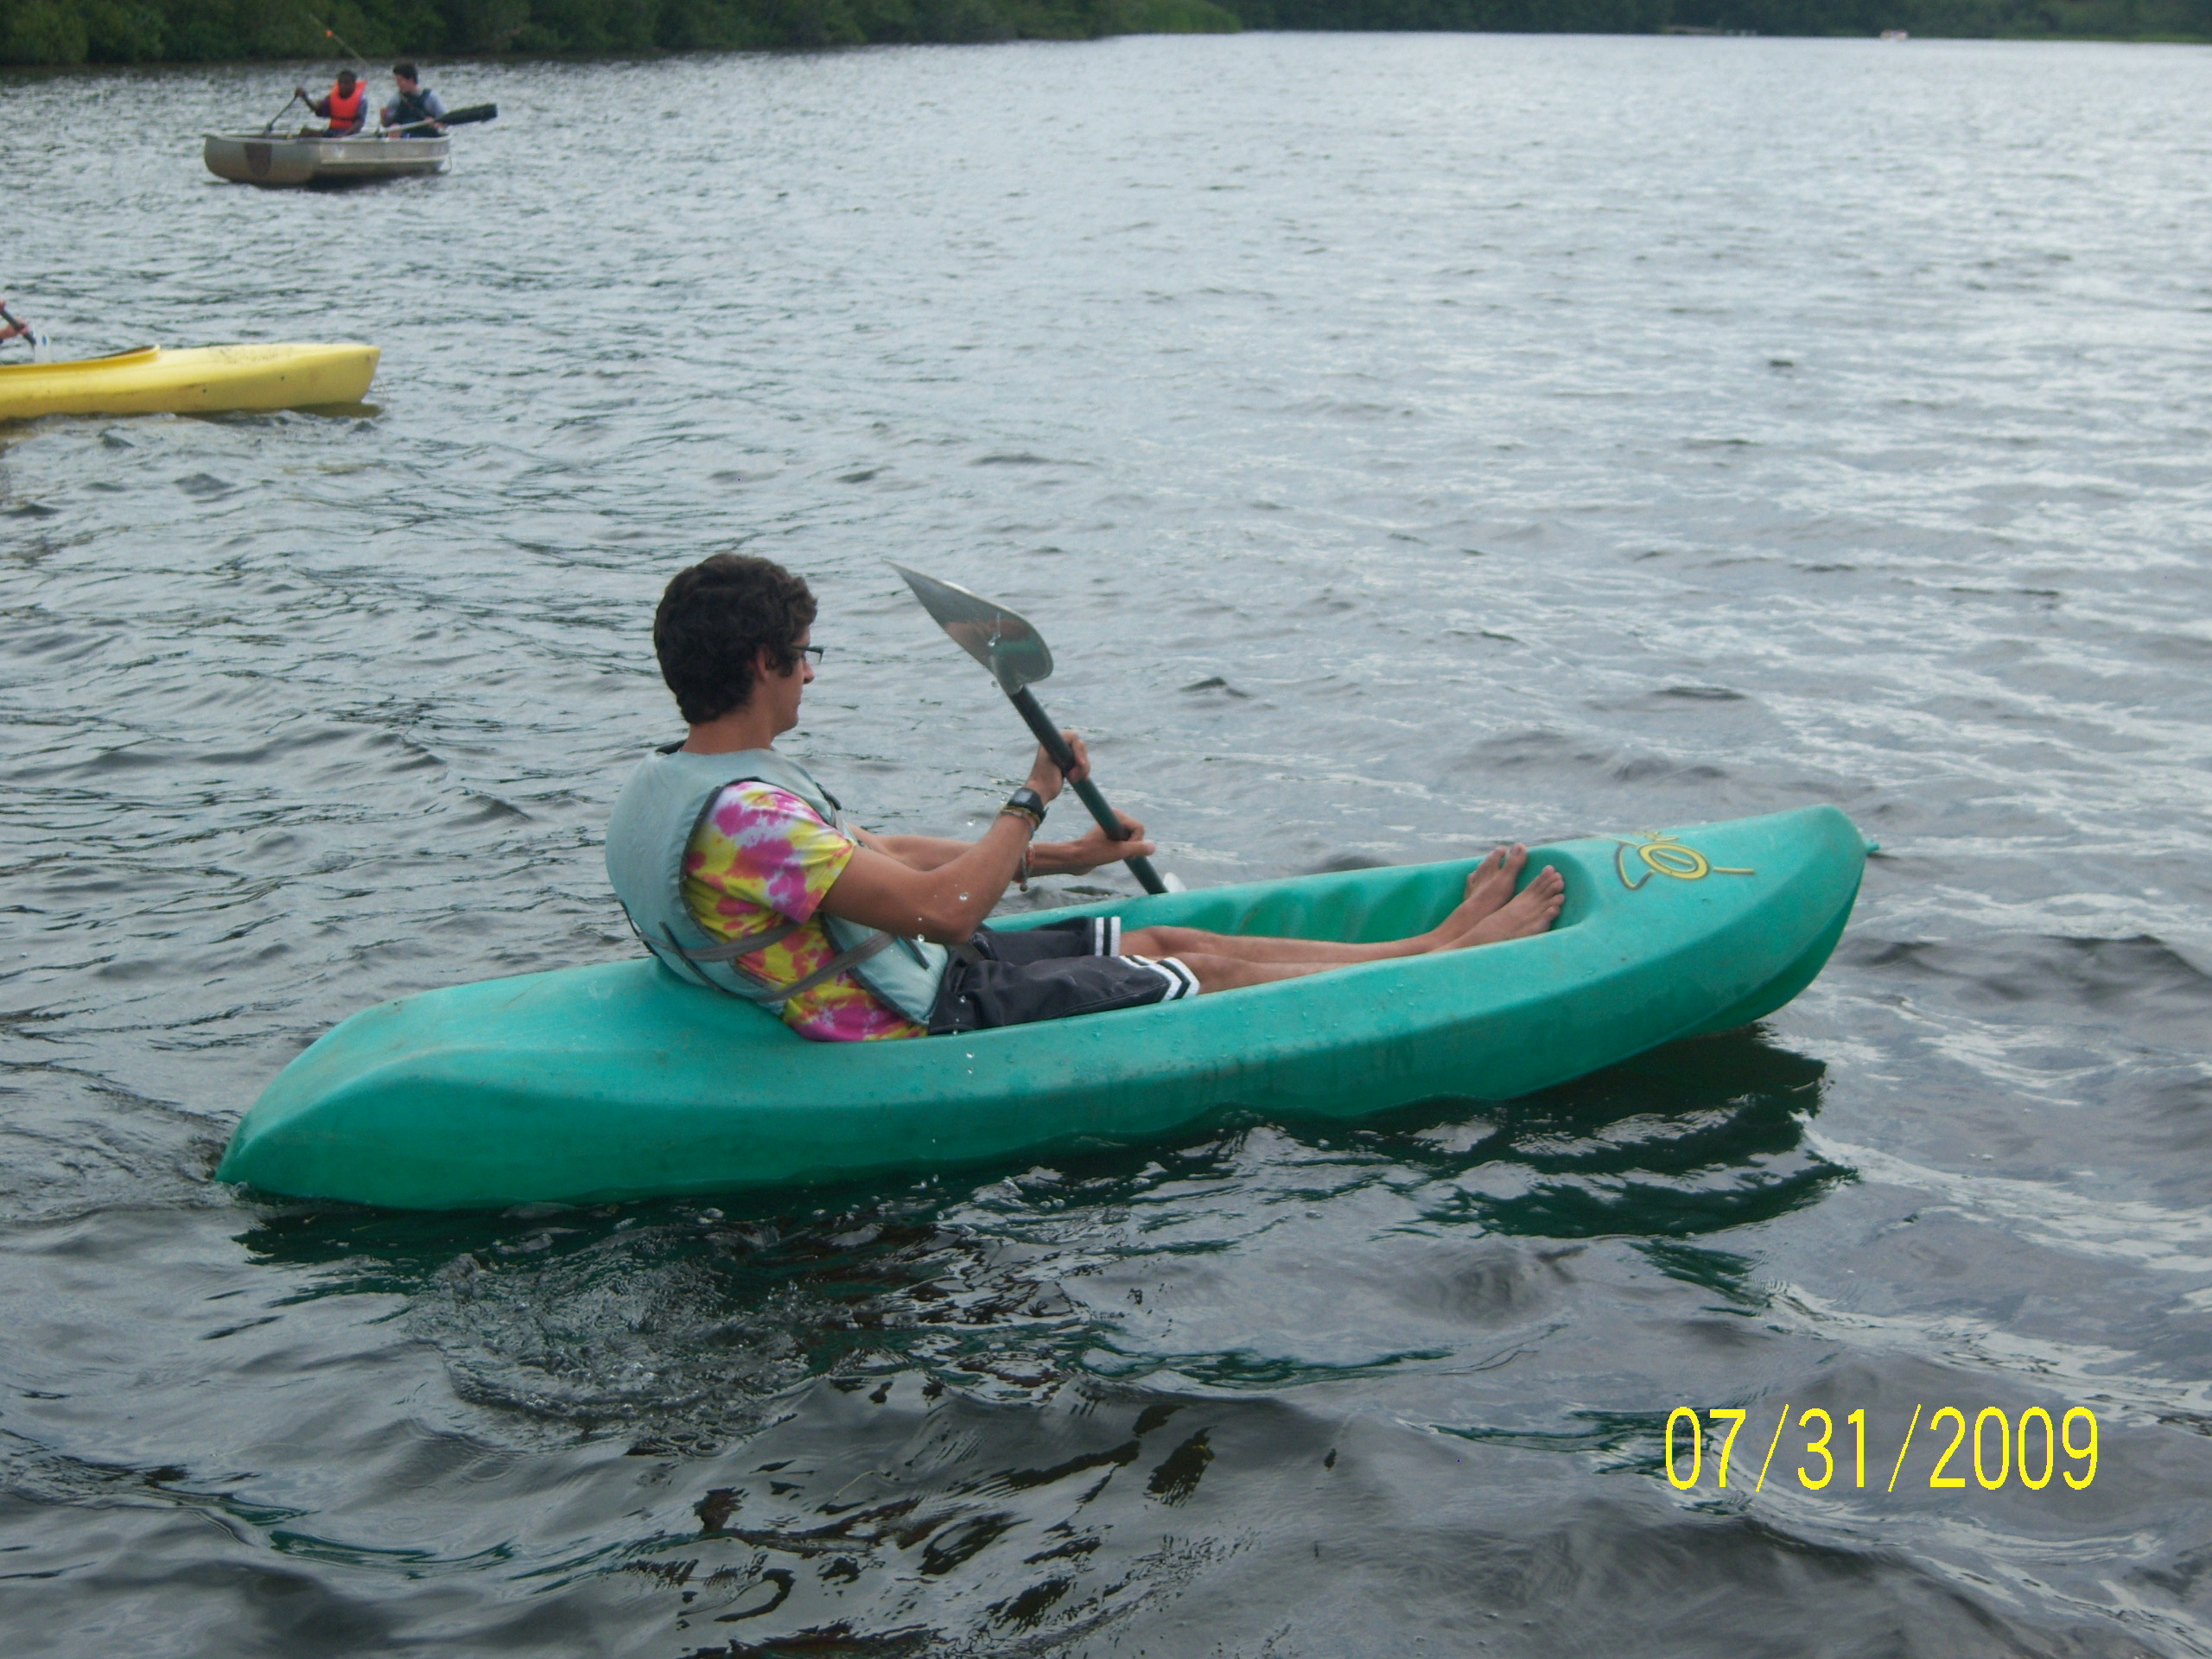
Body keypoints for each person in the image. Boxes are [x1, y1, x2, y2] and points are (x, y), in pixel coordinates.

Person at [604, 556, 1565, 1042]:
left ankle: (1424, 948)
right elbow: (944, 910)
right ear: (763, 663)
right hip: (923, 1013)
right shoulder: (748, 821)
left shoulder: (683, 782)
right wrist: (1034, 794)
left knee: (1163, 937)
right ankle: (1442, 966)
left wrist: (1071, 858)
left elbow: (881, 855)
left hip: (915, 966)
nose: (812, 674)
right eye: (803, 655)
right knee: (1202, 973)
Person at [296, 70, 366, 137]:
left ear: (354, 84)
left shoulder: (361, 101)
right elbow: (316, 109)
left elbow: (359, 122)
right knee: (305, 132)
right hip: (332, 132)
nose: (342, 86)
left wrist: (344, 135)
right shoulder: (332, 98)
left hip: (351, 135)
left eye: (346, 83)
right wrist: (305, 97)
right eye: (340, 83)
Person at [380, 62, 446, 134]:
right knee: (395, 128)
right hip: (403, 137)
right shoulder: (396, 99)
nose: (398, 84)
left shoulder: (431, 98)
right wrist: (383, 118)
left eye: (400, 81)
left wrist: (435, 124)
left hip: (426, 136)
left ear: (411, 80)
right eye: (397, 81)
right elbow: (386, 126)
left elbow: (445, 122)